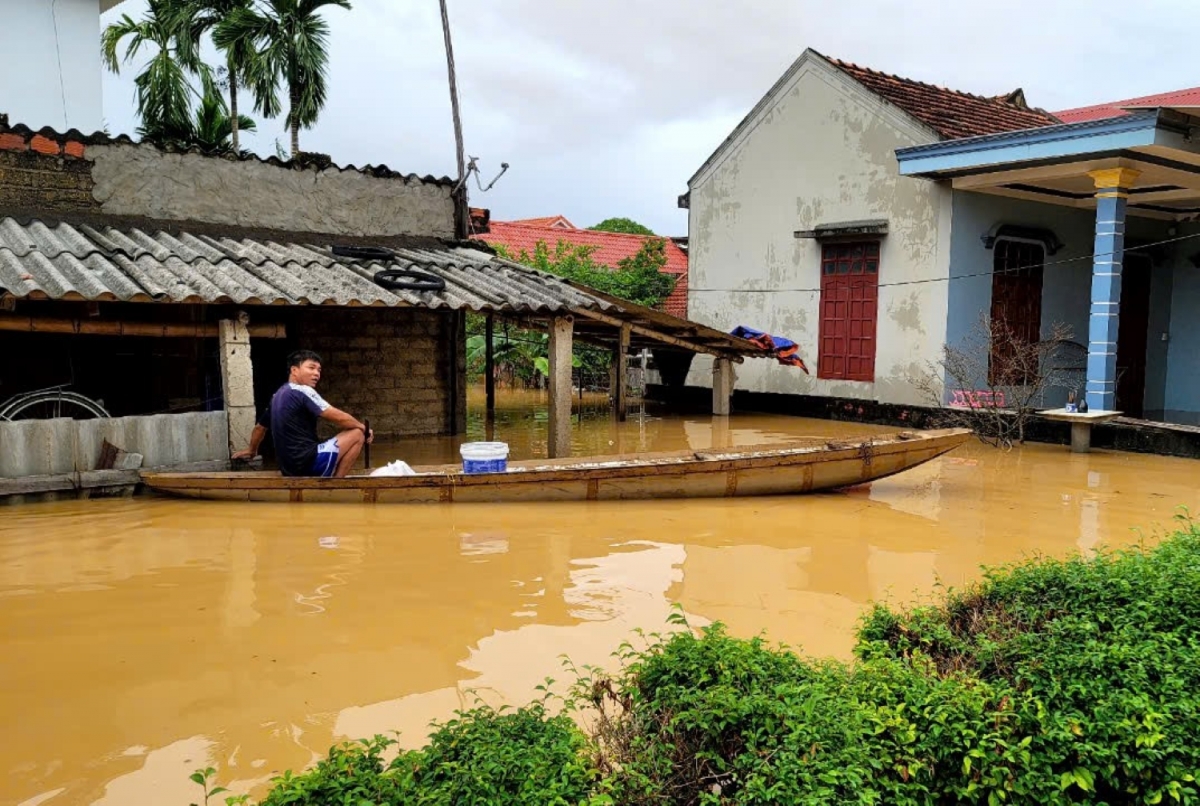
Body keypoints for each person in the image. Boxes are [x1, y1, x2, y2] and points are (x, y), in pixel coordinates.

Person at [232, 350, 373, 478]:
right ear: (294, 370)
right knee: (357, 433)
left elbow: (259, 428)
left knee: (354, 431)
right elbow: (337, 417)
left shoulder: (277, 396)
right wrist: (364, 428)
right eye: (311, 368)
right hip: (308, 464)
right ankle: (337, 484)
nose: (316, 373)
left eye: (319, 370)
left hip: (288, 469)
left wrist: (252, 450)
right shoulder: (303, 390)